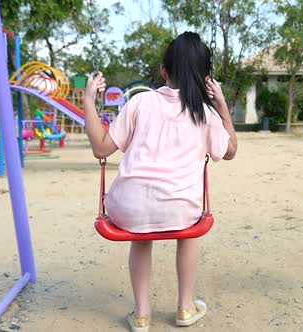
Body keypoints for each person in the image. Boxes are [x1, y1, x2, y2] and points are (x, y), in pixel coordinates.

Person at [83, 31, 237, 331]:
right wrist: (221, 104)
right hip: (181, 209)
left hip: (128, 209)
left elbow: (101, 148)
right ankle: (185, 308)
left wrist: (89, 100)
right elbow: (230, 151)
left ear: (163, 71)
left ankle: (141, 314)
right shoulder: (204, 112)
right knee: (188, 233)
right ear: (206, 77)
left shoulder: (140, 102)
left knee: (141, 236)